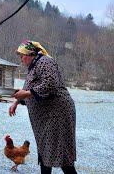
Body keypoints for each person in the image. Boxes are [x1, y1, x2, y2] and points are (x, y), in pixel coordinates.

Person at [9, 40, 77, 174]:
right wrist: (16, 102)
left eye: (22, 55)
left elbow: (50, 83)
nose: (21, 59)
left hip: (57, 114)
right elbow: (30, 92)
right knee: (46, 152)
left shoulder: (44, 61)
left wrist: (27, 93)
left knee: (61, 153)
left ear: (30, 54)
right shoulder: (33, 67)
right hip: (46, 118)